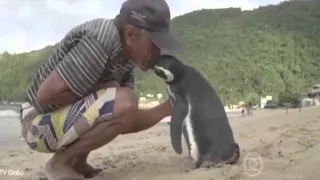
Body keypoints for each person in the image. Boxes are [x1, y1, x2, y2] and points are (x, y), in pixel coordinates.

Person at [20, 0, 181, 179]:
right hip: (35, 124)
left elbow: (123, 119)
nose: (159, 52)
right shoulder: (101, 38)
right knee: (120, 98)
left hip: (58, 121)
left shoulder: (126, 62)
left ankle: (78, 163)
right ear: (130, 34)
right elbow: (45, 96)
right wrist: (105, 89)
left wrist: (170, 106)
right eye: (155, 44)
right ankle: (59, 163)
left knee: (122, 100)